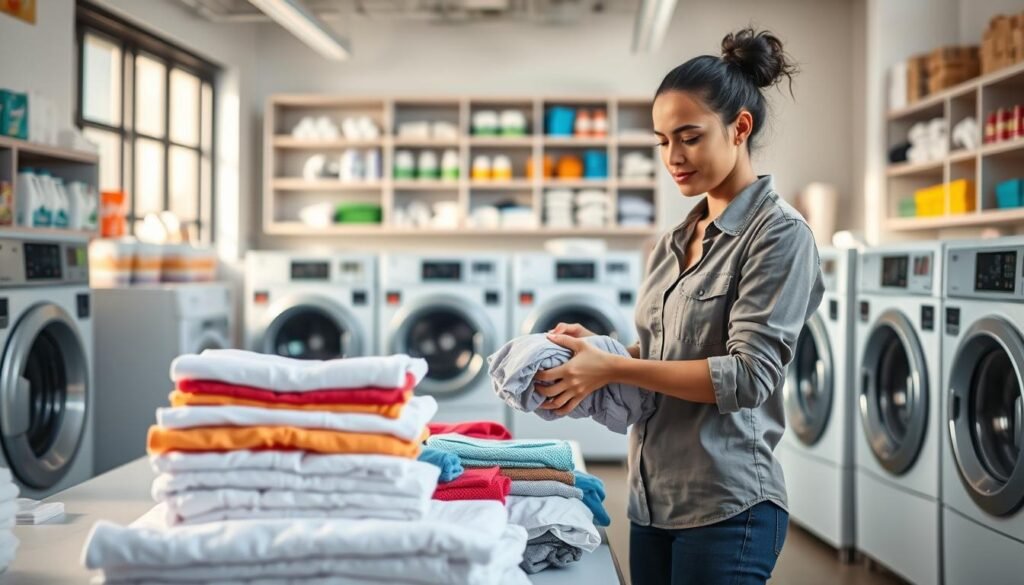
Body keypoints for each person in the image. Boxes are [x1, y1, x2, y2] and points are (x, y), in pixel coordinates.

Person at [534, 28, 825, 585]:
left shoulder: (779, 235)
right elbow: (669, 352)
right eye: (662, 140)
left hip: (727, 506)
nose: (673, 157)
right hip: (651, 499)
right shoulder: (674, 240)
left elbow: (747, 377)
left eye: (689, 137)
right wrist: (600, 354)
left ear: (740, 128)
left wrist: (615, 366)